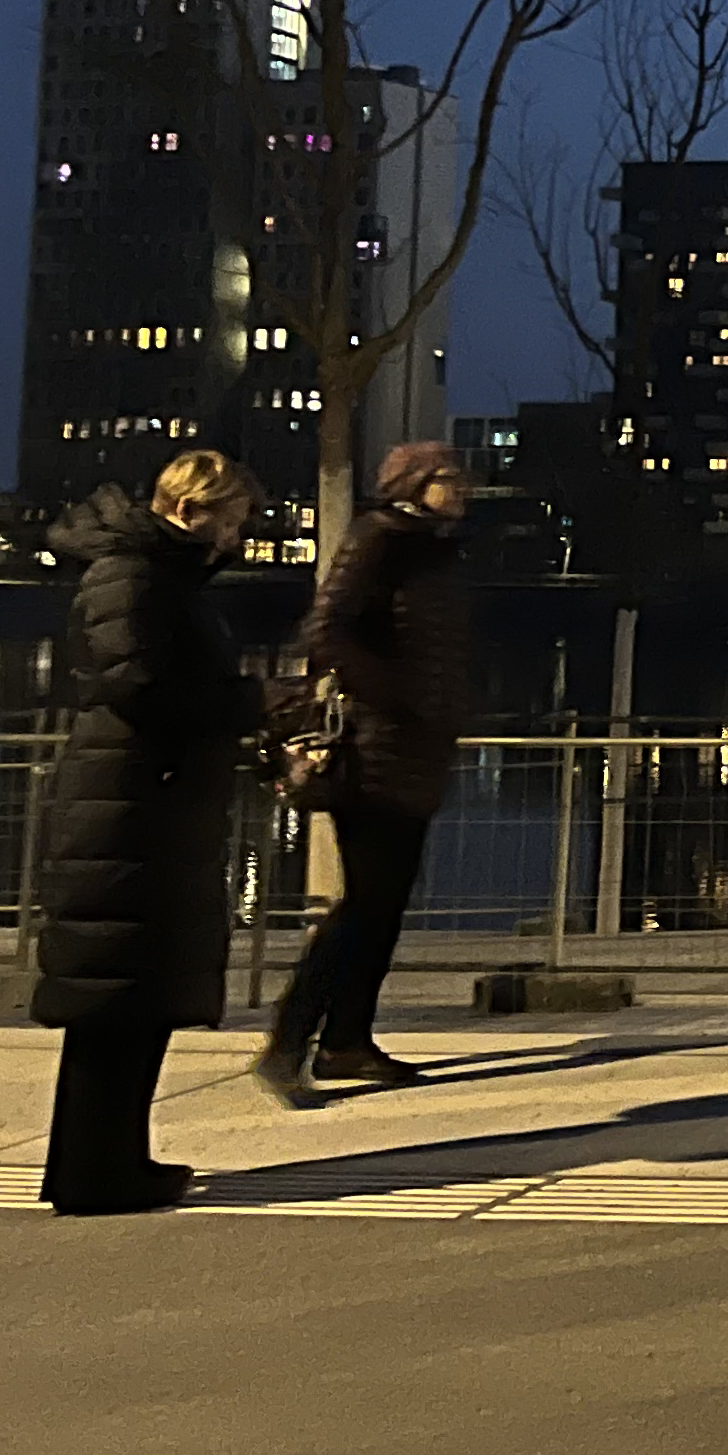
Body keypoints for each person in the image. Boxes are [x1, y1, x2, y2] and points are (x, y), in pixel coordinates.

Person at [30, 449, 266, 1214]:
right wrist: (246, 704)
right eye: (231, 521)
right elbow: (138, 683)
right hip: (132, 802)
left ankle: (112, 1162)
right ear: (192, 509)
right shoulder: (134, 576)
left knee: (133, 997)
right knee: (116, 1003)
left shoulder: (153, 575)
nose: (235, 539)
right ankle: (96, 1173)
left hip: (142, 800)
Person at [253, 440, 470, 1104]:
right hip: (374, 751)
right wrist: (398, 697)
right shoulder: (380, 538)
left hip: (414, 751)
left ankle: (347, 1040)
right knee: (365, 903)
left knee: (384, 904)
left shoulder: (430, 547)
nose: (462, 488)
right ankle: (290, 1041)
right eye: (449, 477)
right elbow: (327, 630)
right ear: (414, 484)